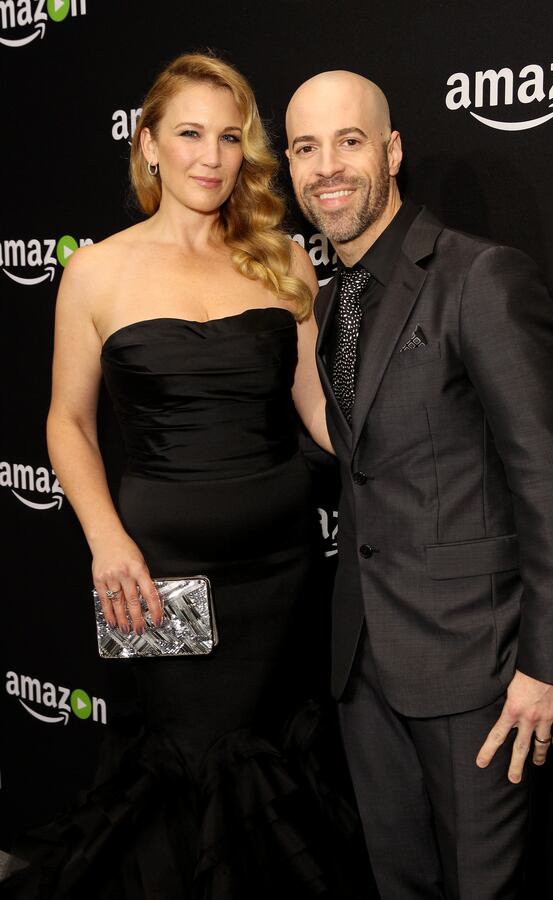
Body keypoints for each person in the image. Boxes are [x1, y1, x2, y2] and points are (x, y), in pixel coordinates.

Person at [4, 54, 373, 900]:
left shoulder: (285, 260)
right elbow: (66, 422)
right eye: (190, 134)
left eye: (230, 138)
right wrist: (106, 545)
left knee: (283, 772)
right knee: (185, 769)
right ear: (149, 145)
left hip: (283, 575)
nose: (211, 157)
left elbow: (319, 410)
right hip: (156, 576)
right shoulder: (94, 270)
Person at [285, 70, 553, 900]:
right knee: (400, 884)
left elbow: (551, 479)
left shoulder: (478, 277)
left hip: (478, 666)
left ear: (389, 152)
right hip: (364, 663)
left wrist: (550, 663)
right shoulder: (330, 302)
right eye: (307, 148)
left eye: (348, 141)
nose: (328, 167)